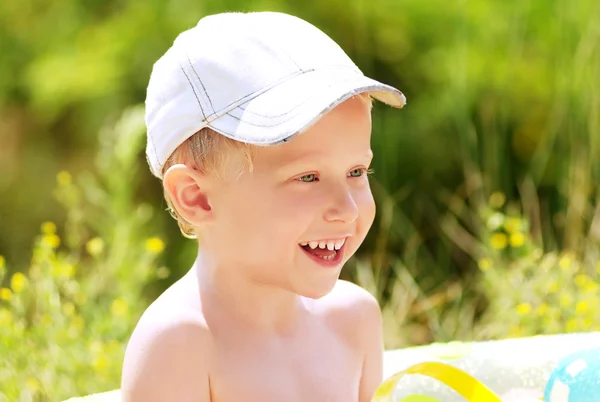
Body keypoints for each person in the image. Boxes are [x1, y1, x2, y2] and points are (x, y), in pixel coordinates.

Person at [120, 10, 405, 402]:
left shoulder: (354, 320)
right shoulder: (182, 343)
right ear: (196, 197)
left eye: (357, 171)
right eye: (308, 177)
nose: (348, 209)